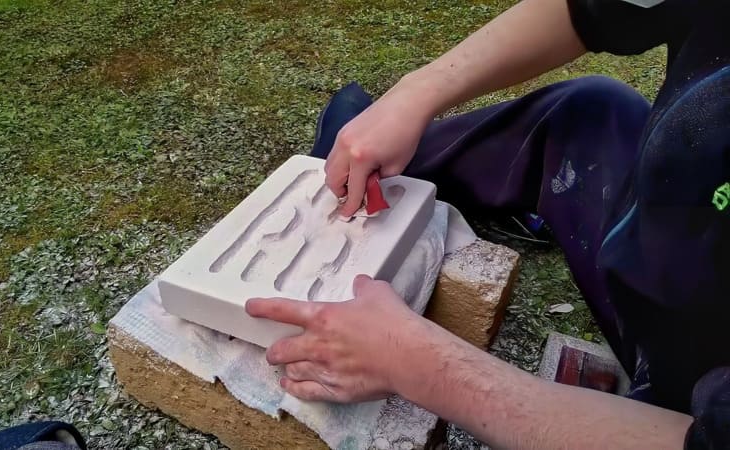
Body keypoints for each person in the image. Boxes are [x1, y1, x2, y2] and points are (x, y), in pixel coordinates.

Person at [245, 0, 730, 448]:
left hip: (693, 388)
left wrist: (411, 361)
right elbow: (587, 9)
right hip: (676, 228)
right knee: (591, 106)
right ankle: (367, 161)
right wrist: (415, 94)